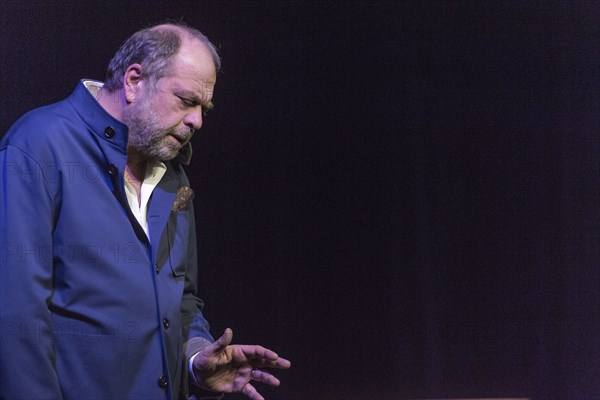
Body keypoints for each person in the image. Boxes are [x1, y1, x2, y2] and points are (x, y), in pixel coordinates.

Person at [0, 23, 290, 400]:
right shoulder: (39, 146)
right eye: (187, 101)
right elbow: (16, 316)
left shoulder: (171, 175)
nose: (197, 121)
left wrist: (195, 358)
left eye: (204, 108)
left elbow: (181, 298)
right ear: (134, 80)